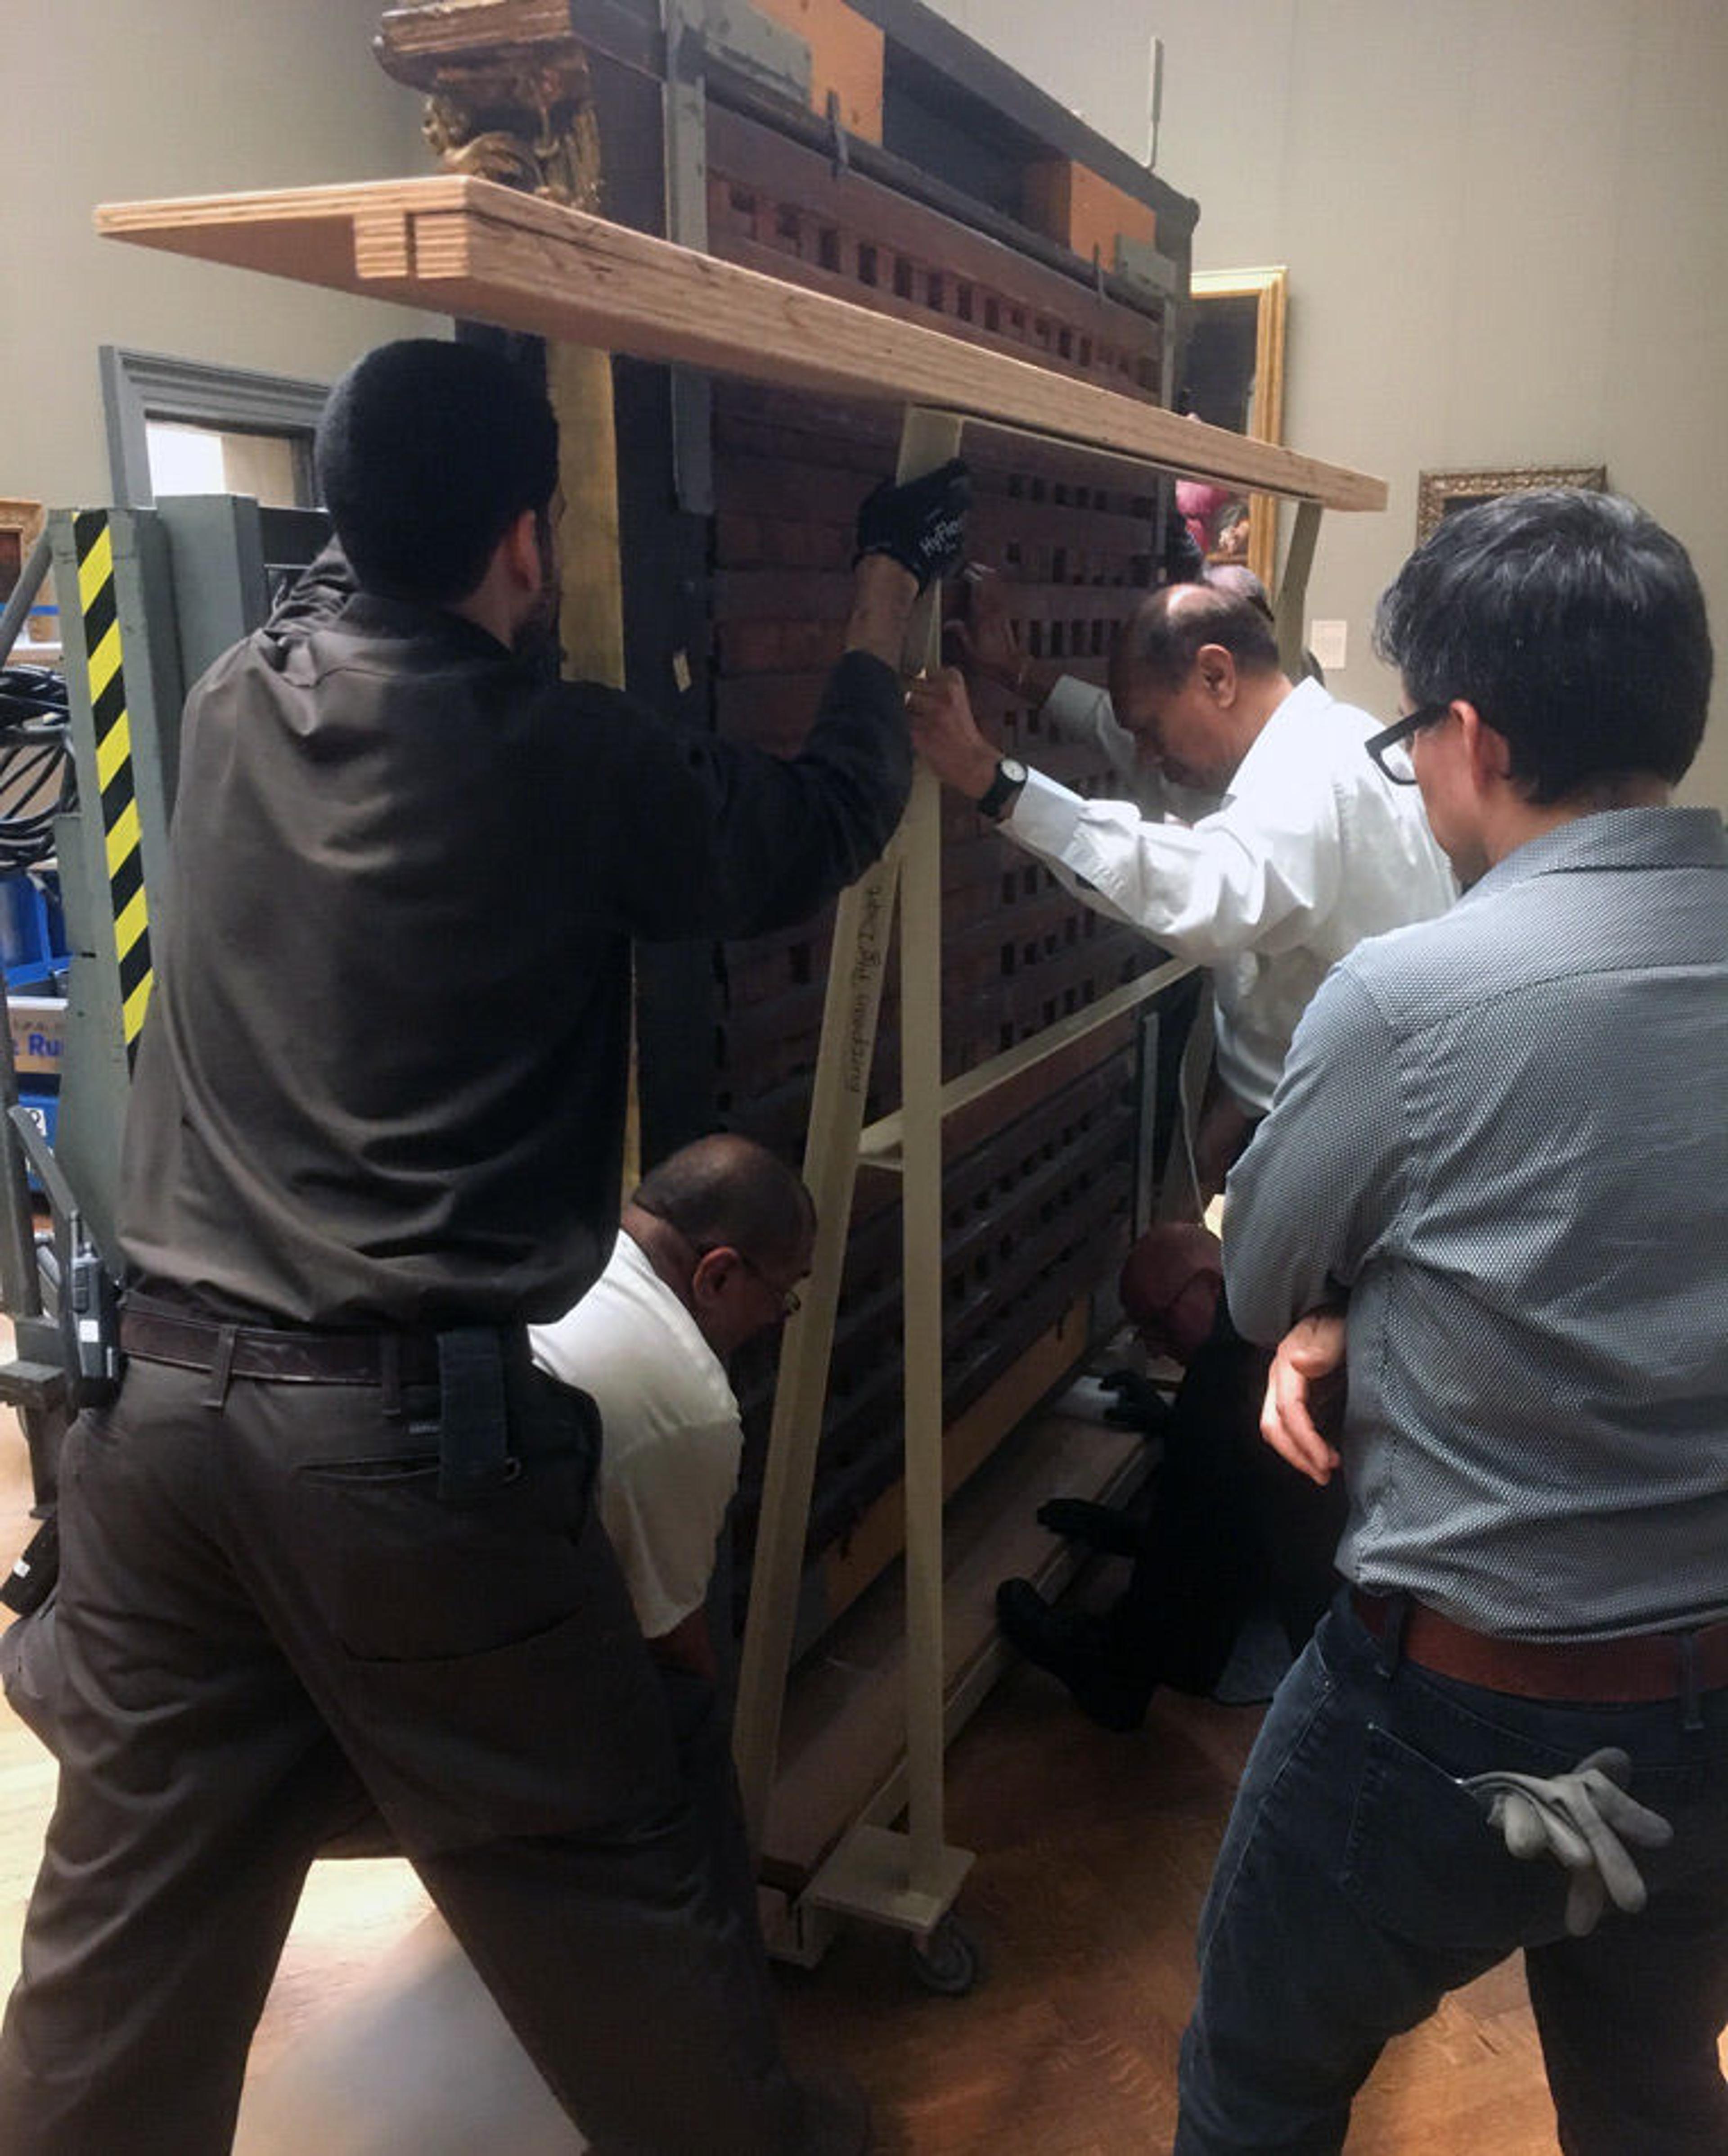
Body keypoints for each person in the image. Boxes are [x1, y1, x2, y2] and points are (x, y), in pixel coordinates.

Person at [0, 336, 968, 2156]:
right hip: (396, 1468)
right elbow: (820, 819)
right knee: (605, 1880)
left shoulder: (223, 701)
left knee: (123, 1959)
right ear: (524, 541)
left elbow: (367, 590)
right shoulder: (569, 762)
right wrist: (882, 592)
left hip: (160, 1431)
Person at [1174, 487, 1728, 2155]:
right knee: (1649, 2090)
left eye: (1411, 733)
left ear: (1471, 734)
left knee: (1258, 2078)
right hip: (1716, 1701)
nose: (1409, 770)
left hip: (1460, 1713)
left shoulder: (1409, 999)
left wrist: (1335, 1307)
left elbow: (1259, 1277)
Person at [913, 582, 1452, 1713]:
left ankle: (1181, 1664)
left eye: (1161, 725)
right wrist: (1026, 689)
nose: (1156, 755)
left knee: (1238, 1408)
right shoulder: (1328, 739)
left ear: (1216, 672)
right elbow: (1142, 740)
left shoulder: (1304, 786)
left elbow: (1200, 891)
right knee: (1231, 1411)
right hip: (1352, 1120)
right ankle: (1181, 1641)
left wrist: (994, 782)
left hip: (1338, 1139)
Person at [235, 1133, 818, 2156]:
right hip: (390, 1697)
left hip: (282, 1621)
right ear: (719, 1274)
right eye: (785, 1293)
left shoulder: (550, 1246)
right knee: (683, 1748)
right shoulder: (686, 1400)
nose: (782, 1318)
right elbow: (671, 1641)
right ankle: (717, 2092)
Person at [999, 1221, 1346, 1733]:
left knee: (1219, 1381)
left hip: (1294, 1630)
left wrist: (1185, 1428)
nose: (1156, 1349)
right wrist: (1170, 1423)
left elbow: (1221, 1521)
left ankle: (1118, 1671)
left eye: (1159, 1325)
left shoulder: (1236, 1368)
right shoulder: (1275, 1317)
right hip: (1313, 1598)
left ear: (1211, 1285)